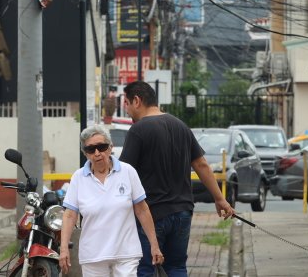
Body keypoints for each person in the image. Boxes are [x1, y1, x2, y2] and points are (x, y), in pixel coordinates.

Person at [118, 81, 234, 277]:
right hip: (182, 212)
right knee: (177, 268)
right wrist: (220, 198)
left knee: (145, 268)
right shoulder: (180, 125)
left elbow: (123, 174)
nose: (126, 110)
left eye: (127, 104)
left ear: (137, 101)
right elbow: (201, 165)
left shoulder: (138, 130)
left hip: (152, 214)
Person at [60, 125, 164, 277]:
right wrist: (63, 249)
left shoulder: (128, 171)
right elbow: (69, 215)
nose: (97, 153)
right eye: (91, 149)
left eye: (101, 147)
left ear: (110, 148)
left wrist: (154, 245)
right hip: (93, 254)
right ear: (85, 153)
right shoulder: (78, 177)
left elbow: (142, 210)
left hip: (126, 252)